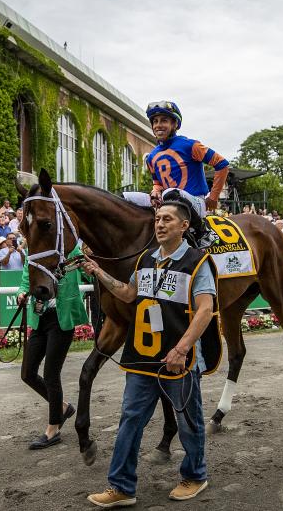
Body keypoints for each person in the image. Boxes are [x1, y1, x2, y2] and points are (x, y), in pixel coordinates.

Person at [82, 201, 220, 506]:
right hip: (142, 358)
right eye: (157, 219)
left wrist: (182, 348)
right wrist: (98, 272)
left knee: (188, 421)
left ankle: (195, 476)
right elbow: (129, 293)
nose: (159, 224)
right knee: (130, 420)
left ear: (184, 226)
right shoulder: (146, 260)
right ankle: (121, 487)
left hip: (178, 361)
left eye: (167, 219)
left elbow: (206, 309)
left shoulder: (198, 262)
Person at [16, 240, 89, 450]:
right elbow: (24, 280)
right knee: (27, 373)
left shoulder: (72, 250)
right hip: (40, 318)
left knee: (50, 374)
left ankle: (53, 428)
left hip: (61, 320)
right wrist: (21, 292)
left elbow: (88, 274)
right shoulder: (32, 251)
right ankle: (63, 408)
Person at [144, 101, 229, 244]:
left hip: (195, 203)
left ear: (175, 124)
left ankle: (203, 233)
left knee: (170, 192)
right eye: (155, 121)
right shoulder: (151, 157)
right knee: (126, 197)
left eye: (164, 120)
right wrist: (155, 192)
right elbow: (157, 183)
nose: (158, 125)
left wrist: (213, 197)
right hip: (168, 203)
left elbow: (222, 164)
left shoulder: (191, 145)